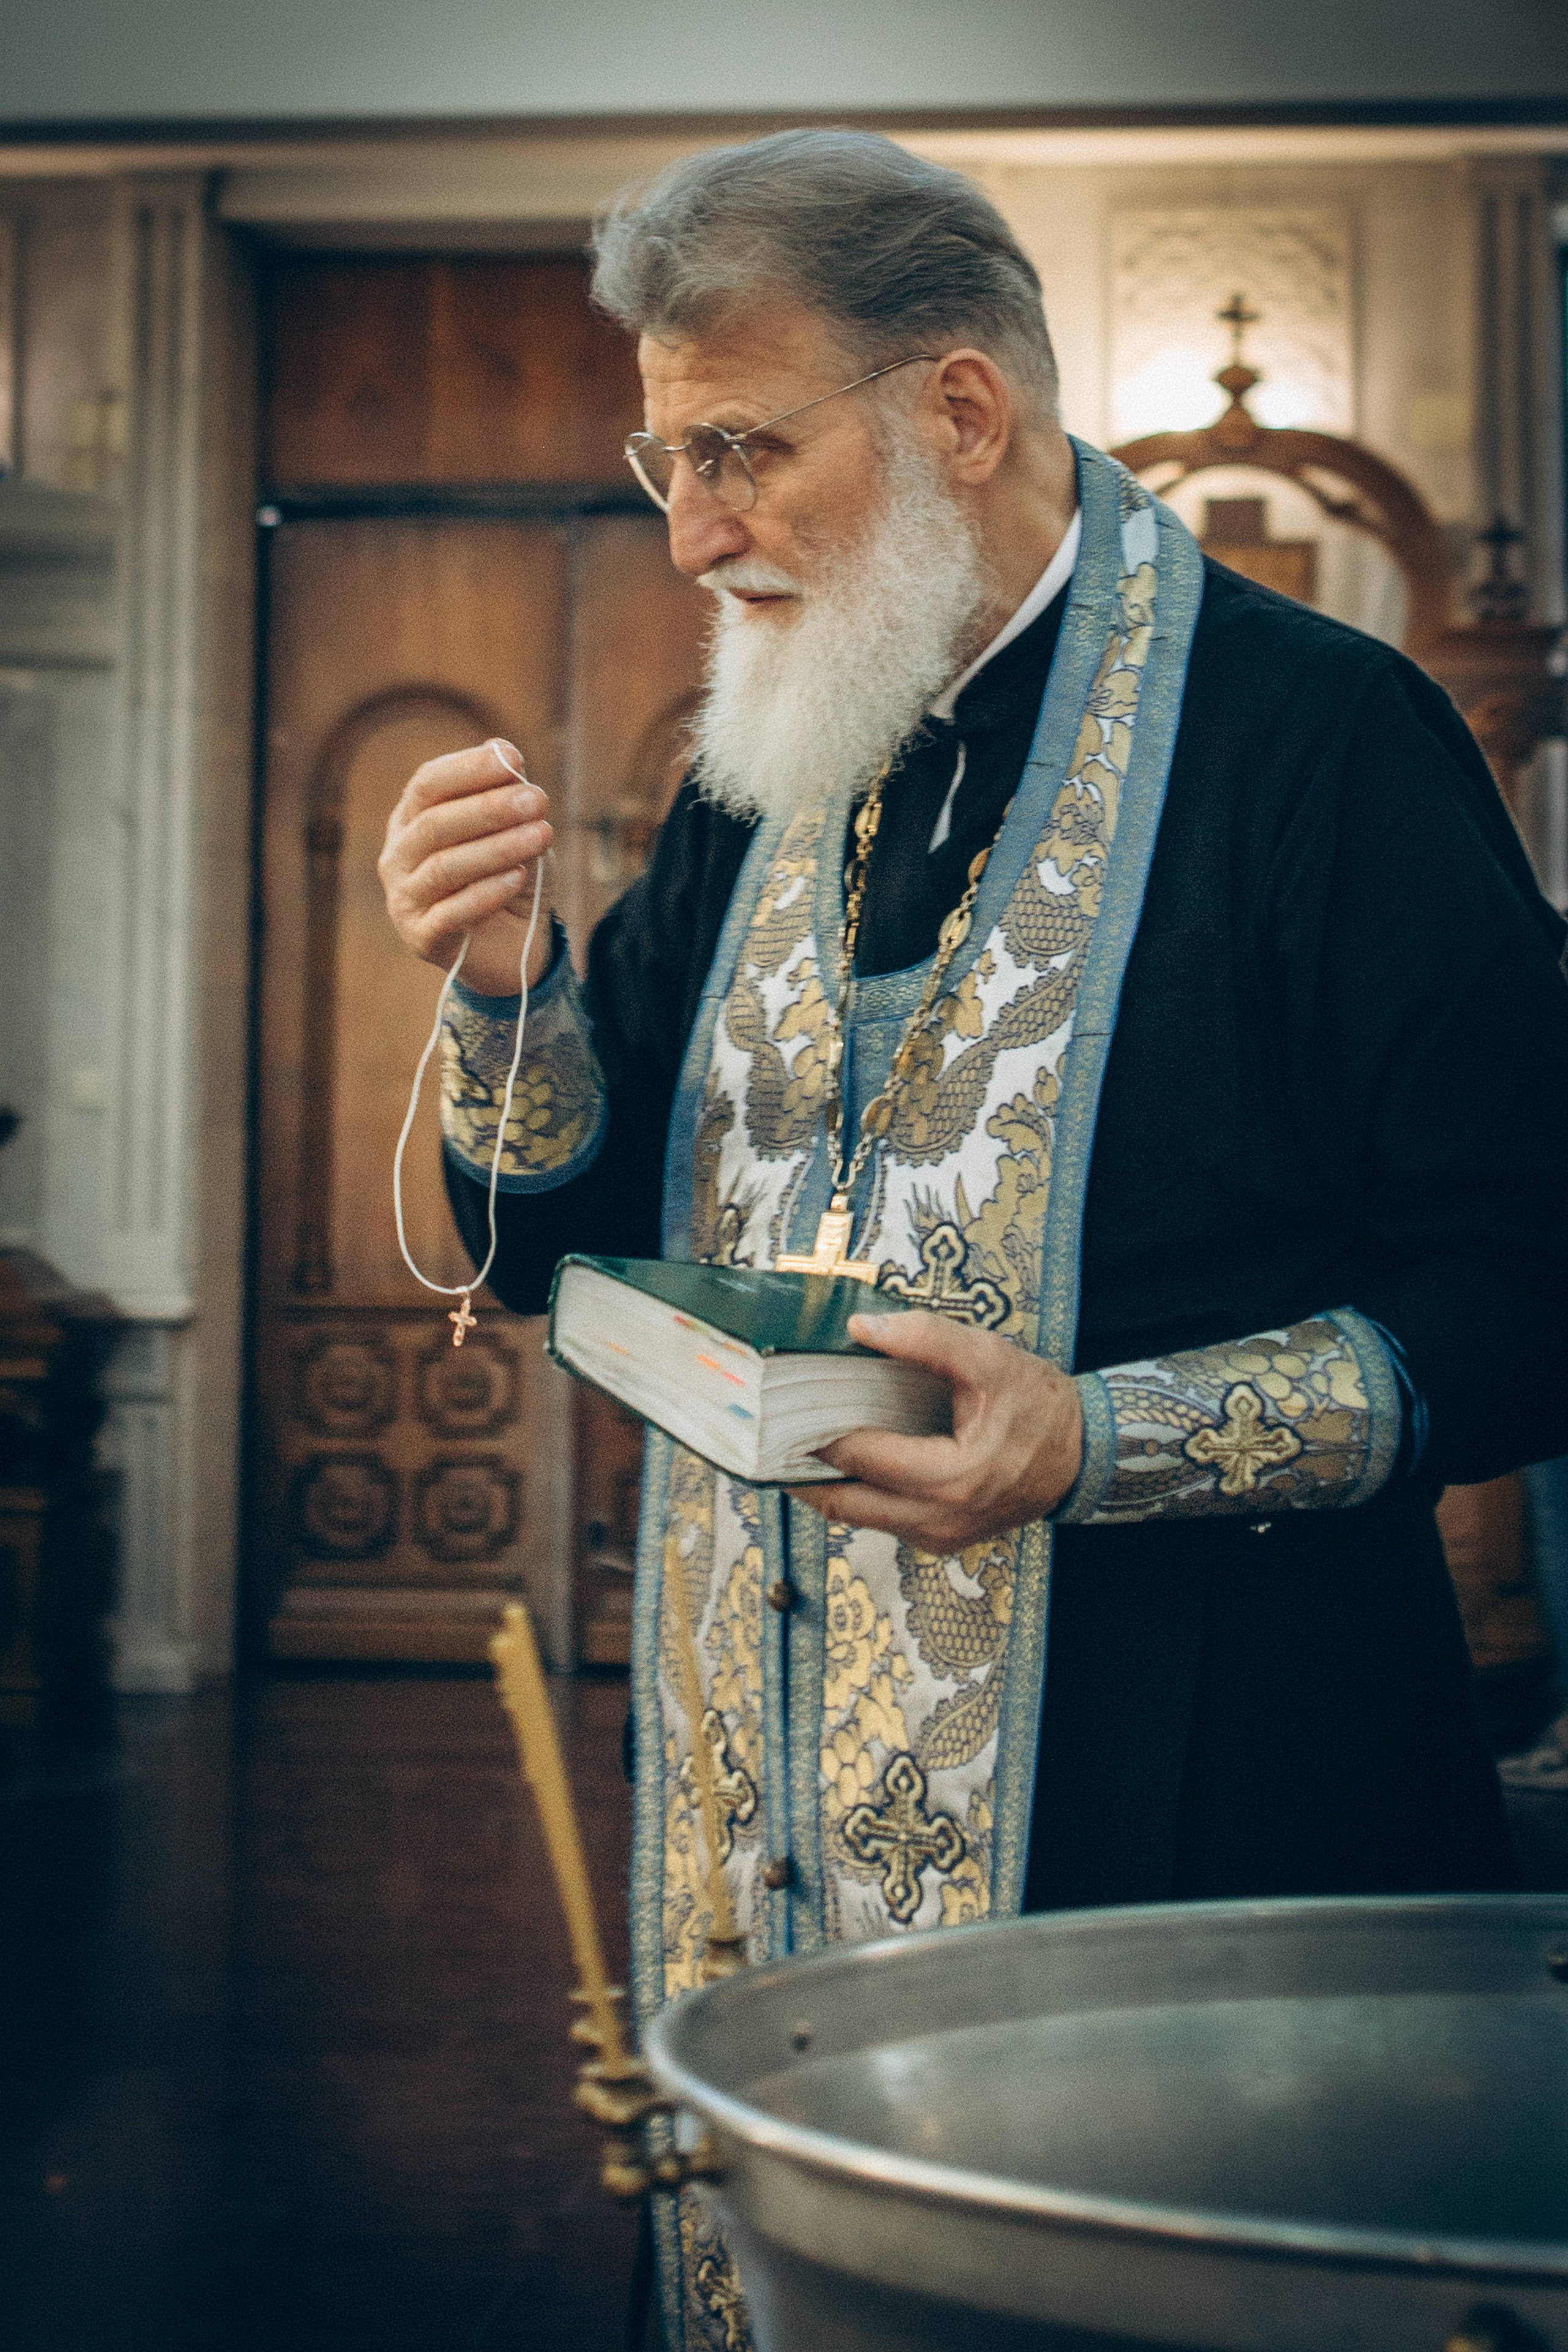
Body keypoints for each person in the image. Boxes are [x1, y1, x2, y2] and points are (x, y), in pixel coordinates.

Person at [379, 131, 1568, 2347]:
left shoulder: (1326, 741)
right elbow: (562, 1231)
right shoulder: (776, 766)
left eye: (738, 448)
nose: (688, 531)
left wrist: (1098, 1436)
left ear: (957, 412)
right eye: (662, 456)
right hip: (768, 1813)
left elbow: (1532, 1285)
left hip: (1199, 1816)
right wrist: (504, 995)